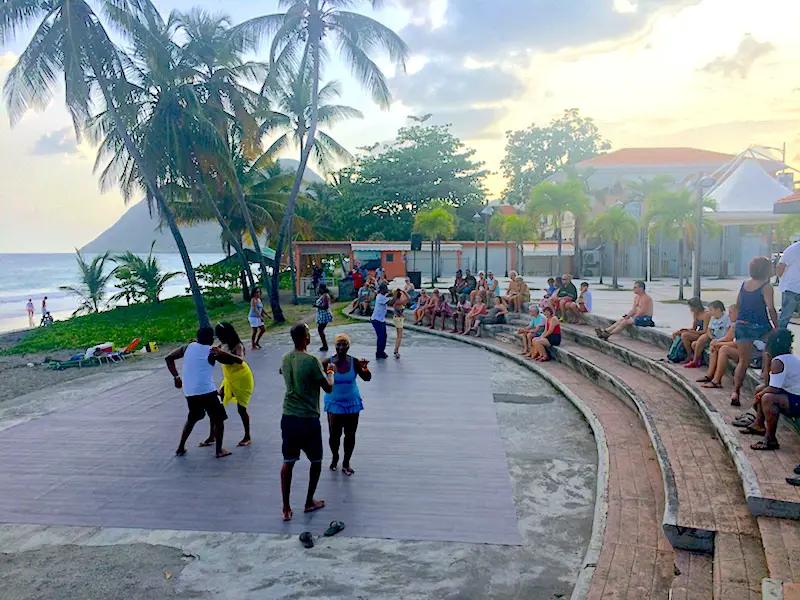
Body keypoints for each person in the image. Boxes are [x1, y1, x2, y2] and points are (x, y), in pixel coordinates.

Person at [280, 323, 335, 521]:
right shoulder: (312, 361)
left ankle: (285, 508)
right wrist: (330, 372)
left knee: (288, 461)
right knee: (316, 461)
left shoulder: (286, 358)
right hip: (308, 418)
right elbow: (328, 388)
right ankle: (308, 501)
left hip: (288, 416)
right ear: (306, 337)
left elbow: (284, 372)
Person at [166, 327, 234, 458]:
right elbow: (232, 361)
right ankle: (219, 450)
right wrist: (221, 352)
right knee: (218, 419)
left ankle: (181, 446)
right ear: (211, 338)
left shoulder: (187, 347)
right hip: (207, 391)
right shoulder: (212, 352)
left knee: (193, 417)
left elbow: (169, 358)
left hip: (190, 392)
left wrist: (176, 377)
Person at [736, 329, 800, 453]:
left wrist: (758, 397)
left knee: (767, 397)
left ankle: (770, 439)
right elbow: (767, 384)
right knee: (760, 389)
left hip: (797, 400)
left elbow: (773, 388)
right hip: (792, 394)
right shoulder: (785, 358)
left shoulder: (778, 361)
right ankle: (759, 424)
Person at [729, 256, 778, 406]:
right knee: (772, 347)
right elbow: (770, 308)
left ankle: (736, 392)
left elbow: (738, 304)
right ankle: (765, 376)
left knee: (743, 361)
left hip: (742, 324)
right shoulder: (766, 287)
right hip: (760, 324)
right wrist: (777, 326)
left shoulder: (744, 284)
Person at [322, 333, 372, 475]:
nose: (341, 347)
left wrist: (364, 368)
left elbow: (367, 378)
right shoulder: (327, 362)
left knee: (350, 434)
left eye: (344, 344)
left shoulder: (354, 362)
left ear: (349, 346)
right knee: (334, 434)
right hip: (334, 402)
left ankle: (346, 462)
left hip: (352, 402)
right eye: (339, 344)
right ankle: (335, 457)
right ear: (335, 346)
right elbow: (316, 376)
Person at [200, 323, 254, 448]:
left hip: (242, 378)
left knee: (241, 409)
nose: (219, 338)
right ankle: (212, 435)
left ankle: (247, 436)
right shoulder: (222, 344)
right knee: (215, 404)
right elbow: (213, 354)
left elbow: (240, 359)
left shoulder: (237, 345)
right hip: (229, 378)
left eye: (220, 336)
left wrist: (222, 353)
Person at [698, 305, 741, 388]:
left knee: (724, 349)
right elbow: (728, 338)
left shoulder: (742, 326)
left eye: (731, 313)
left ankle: (716, 381)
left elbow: (737, 344)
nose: (729, 315)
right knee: (715, 347)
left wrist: (719, 344)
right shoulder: (734, 325)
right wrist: (716, 342)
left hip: (748, 354)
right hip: (738, 350)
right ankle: (710, 375)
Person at [685, 301, 729, 369]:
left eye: (711, 310)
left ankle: (695, 361)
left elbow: (729, 331)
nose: (709, 312)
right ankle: (697, 360)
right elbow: (709, 330)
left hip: (722, 339)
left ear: (718, 310)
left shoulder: (727, 317)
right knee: (695, 344)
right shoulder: (713, 317)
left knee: (699, 341)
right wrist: (711, 337)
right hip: (713, 337)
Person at [671, 298, 708, 363]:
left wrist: (689, 331)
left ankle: (690, 356)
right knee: (682, 333)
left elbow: (705, 331)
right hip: (697, 333)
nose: (691, 309)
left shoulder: (706, 315)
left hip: (704, 335)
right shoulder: (695, 314)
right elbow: (693, 328)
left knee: (685, 335)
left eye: (692, 307)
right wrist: (682, 330)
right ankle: (688, 355)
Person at [777, 240, 800, 329]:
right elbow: (780, 266)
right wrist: (782, 280)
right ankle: (779, 339)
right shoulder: (794, 249)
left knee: (784, 318)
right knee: (784, 318)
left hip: (791, 288)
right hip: (791, 289)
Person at [371, 283, 391, 360]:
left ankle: (381, 352)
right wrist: (396, 295)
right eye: (385, 289)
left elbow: (387, 297)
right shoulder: (380, 297)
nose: (386, 290)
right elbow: (390, 302)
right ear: (382, 290)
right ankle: (379, 353)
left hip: (381, 320)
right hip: (377, 320)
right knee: (381, 337)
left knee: (384, 336)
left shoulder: (381, 296)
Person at [392, 288, 410, 358]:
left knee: (398, 336)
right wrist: (404, 292)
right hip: (399, 319)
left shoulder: (395, 301)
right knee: (399, 336)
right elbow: (408, 298)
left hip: (396, 318)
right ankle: (396, 351)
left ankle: (396, 349)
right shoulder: (399, 301)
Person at [315, 284, 333, 352]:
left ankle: (325, 345)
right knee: (320, 330)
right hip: (322, 315)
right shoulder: (323, 295)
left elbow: (325, 306)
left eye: (318, 288)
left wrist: (317, 306)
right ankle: (324, 345)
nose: (318, 290)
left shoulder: (325, 296)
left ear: (322, 289)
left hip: (324, 315)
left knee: (320, 330)